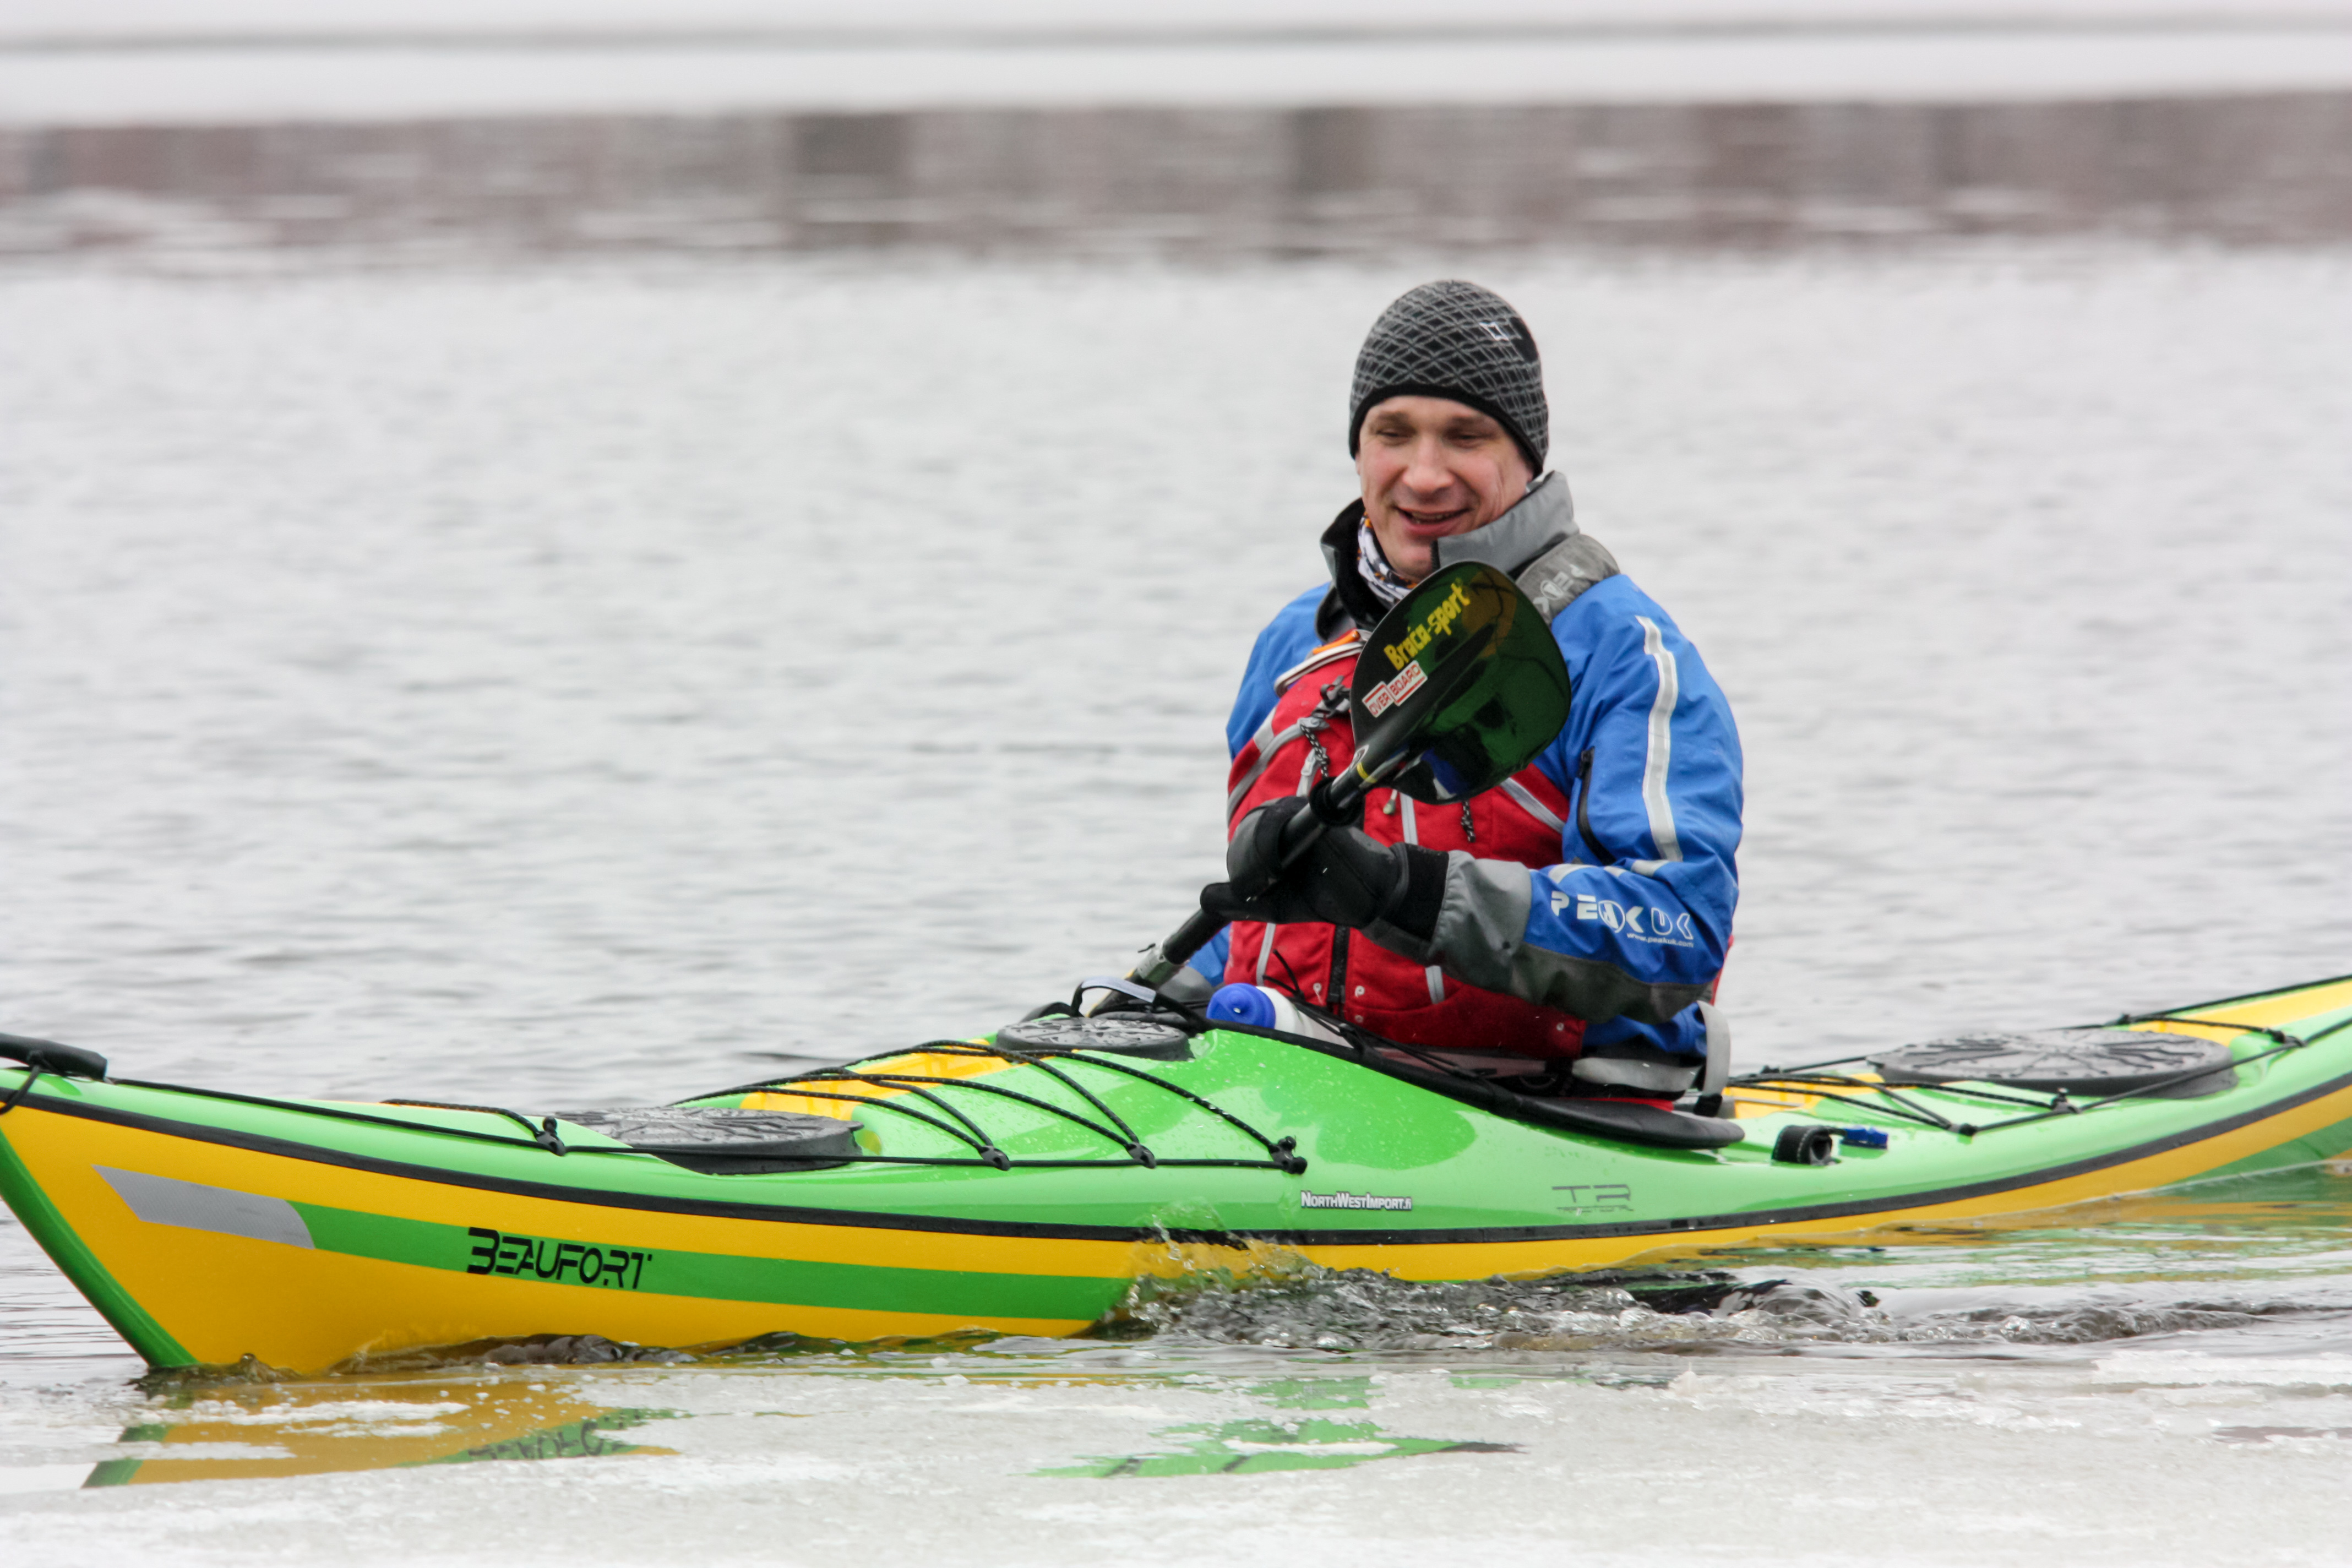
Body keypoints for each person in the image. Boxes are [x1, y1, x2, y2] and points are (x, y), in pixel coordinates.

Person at [1199, 280, 1743, 1098]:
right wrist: (1152, 1001)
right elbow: (1255, 929)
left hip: (1553, 1107)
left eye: (1465, 436)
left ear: (1527, 459)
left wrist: (1409, 894)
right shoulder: (1296, 644)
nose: (1424, 476)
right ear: (1358, 451)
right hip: (1300, 1090)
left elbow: (1681, 931)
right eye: (1393, 433)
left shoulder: (1625, 654)